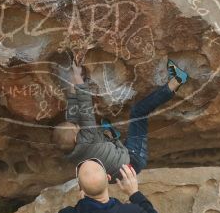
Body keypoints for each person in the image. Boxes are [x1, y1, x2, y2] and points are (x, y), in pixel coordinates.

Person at [53, 56, 190, 182]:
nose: (77, 126)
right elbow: (85, 106)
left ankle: (111, 135)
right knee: (138, 112)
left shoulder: (73, 152)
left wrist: (72, 83)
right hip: (133, 161)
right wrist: (78, 78)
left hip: (116, 171)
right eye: (76, 128)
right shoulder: (87, 139)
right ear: (77, 138)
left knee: (99, 136)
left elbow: (73, 115)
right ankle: (177, 80)